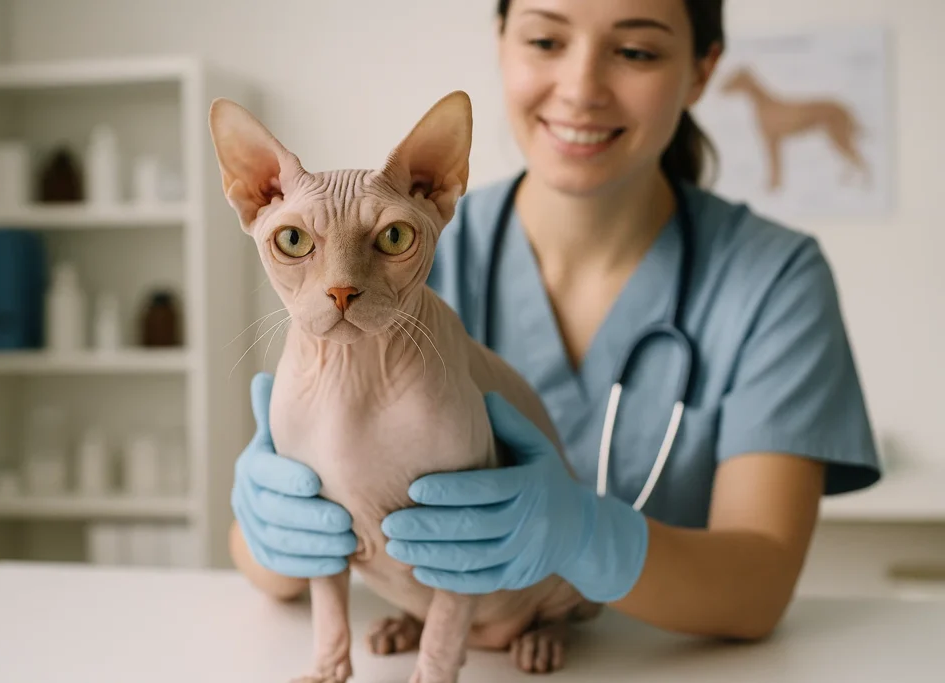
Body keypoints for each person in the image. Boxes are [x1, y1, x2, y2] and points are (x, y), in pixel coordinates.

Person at [228, 0, 882, 641]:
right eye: (546, 41)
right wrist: (273, 528)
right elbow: (266, 564)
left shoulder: (776, 280)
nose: (581, 89)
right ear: (502, 40)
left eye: (635, 50)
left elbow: (758, 590)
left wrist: (586, 534)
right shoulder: (390, 246)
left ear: (704, 69)